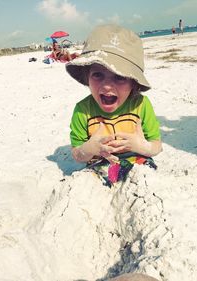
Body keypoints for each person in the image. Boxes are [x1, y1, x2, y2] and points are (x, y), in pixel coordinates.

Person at [66, 24, 162, 186]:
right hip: (100, 164)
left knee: (145, 180)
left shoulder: (141, 105)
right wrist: (89, 149)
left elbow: (157, 146)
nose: (107, 86)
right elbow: (77, 154)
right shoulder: (83, 111)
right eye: (98, 75)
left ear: (134, 83)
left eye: (119, 77)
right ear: (87, 77)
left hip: (138, 159)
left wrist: (142, 146)